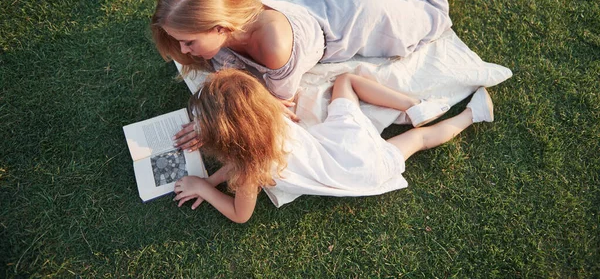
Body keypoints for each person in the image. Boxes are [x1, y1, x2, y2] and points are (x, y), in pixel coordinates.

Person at [155, 0, 482, 149]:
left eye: (189, 42)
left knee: (434, 12)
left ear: (219, 27)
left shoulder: (273, 46)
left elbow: (275, 105)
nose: (184, 50)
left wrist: (211, 124)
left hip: (358, 17)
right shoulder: (232, 11)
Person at [173, 69, 494, 224]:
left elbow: (239, 214)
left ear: (231, 142)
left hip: (362, 170)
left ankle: (472, 114)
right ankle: (414, 106)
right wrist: (210, 180)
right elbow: (239, 157)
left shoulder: (248, 169)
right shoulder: (268, 118)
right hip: (344, 144)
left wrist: (203, 188)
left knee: (419, 141)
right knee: (346, 82)